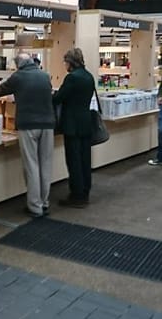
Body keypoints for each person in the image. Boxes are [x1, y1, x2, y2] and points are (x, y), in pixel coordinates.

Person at [0, 52, 54, 217]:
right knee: (45, 165)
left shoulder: (18, 77)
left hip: (28, 125)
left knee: (31, 166)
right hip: (48, 124)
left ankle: (34, 207)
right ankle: (44, 203)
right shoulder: (45, 76)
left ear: (18, 65)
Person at [53, 48, 95, 208]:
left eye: (65, 62)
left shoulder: (72, 78)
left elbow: (59, 98)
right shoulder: (88, 76)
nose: (64, 65)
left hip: (72, 125)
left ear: (70, 62)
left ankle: (76, 195)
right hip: (85, 123)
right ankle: (85, 191)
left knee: (74, 160)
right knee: (85, 159)